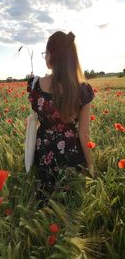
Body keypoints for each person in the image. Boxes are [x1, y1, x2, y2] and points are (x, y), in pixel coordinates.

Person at [27, 31, 95, 204]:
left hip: (44, 154)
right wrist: (91, 166)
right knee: (72, 206)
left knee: (45, 203)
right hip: (71, 155)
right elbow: (84, 134)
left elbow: (34, 119)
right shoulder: (83, 89)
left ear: (51, 55)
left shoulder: (35, 85)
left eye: (45, 53)